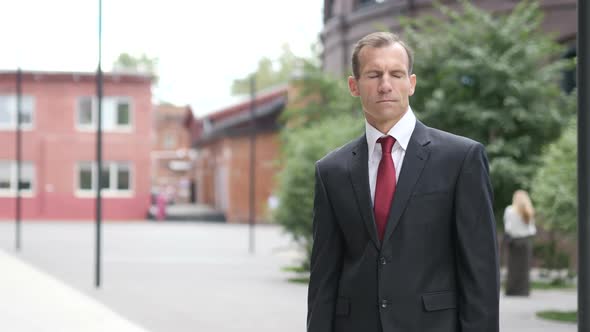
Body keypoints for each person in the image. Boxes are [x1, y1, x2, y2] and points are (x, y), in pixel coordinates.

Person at [307, 32, 499, 332]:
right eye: (373, 74)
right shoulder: (331, 170)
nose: (386, 85)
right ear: (353, 86)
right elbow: (323, 277)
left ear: (411, 83)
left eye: (396, 74)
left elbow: (480, 272)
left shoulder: (461, 159)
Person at [504, 190, 536, 296]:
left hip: (514, 242)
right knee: (524, 268)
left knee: (513, 267)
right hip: (526, 242)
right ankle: (523, 291)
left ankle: (512, 291)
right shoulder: (529, 211)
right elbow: (532, 229)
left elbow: (508, 228)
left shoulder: (509, 210)